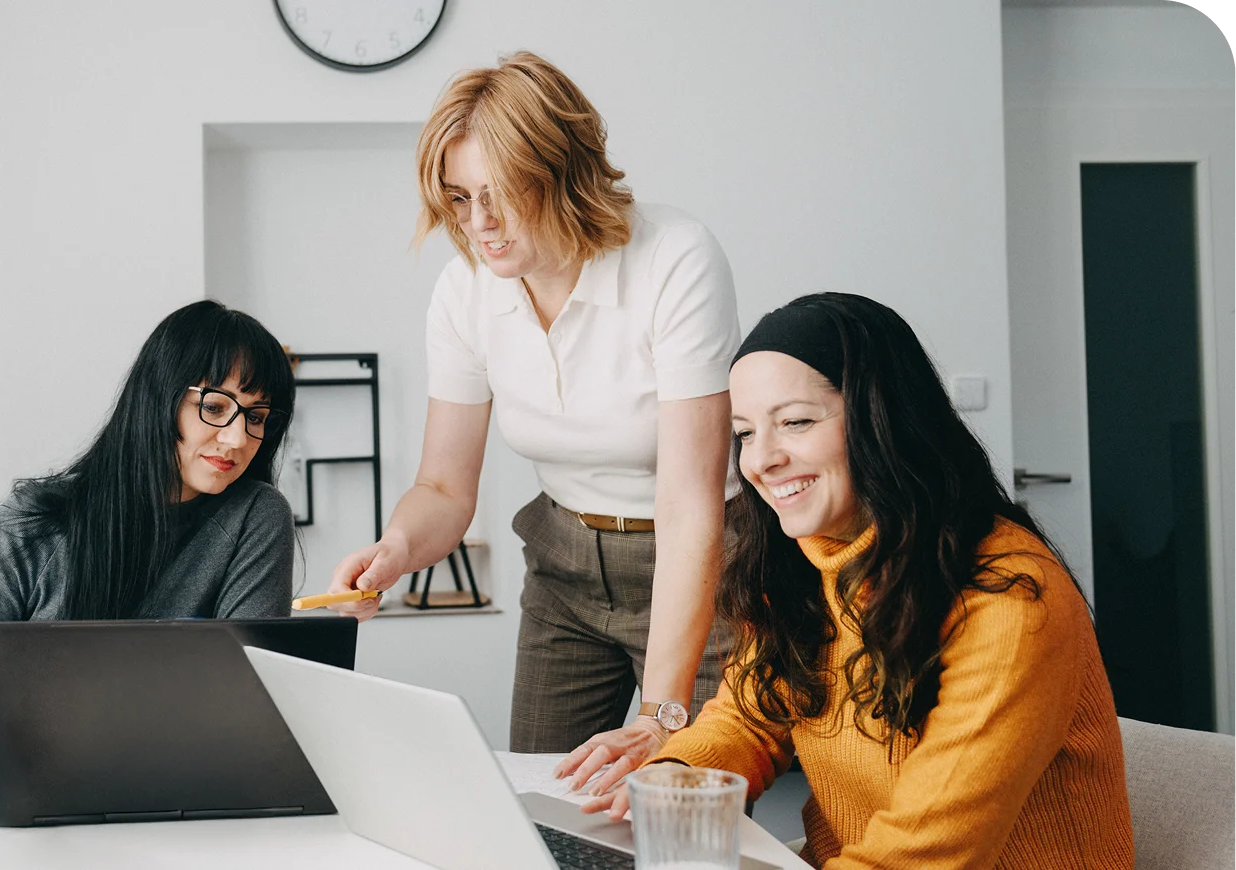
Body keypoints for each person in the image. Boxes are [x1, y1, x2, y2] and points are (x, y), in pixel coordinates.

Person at [585, 292, 1133, 869]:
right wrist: (677, 776)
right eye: (744, 434)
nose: (760, 460)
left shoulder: (1009, 599)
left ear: (883, 418)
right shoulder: (809, 557)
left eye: (794, 422)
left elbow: (925, 855)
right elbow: (749, 714)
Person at [328, 51, 740, 772]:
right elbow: (444, 489)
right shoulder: (465, 293)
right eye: (458, 198)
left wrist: (659, 715)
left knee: (676, 800)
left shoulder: (673, 257)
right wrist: (396, 550)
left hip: (697, 567)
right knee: (546, 801)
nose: (478, 224)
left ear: (563, 170)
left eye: (501, 193)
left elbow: (690, 506)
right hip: (564, 570)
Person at [0, 300, 299, 763]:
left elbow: (251, 703)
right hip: (45, 785)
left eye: (256, 417)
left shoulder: (256, 516)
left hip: (187, 790)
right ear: (160, 397)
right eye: (214, 407)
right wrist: (6, 746)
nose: (237, 439)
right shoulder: (34, 520)